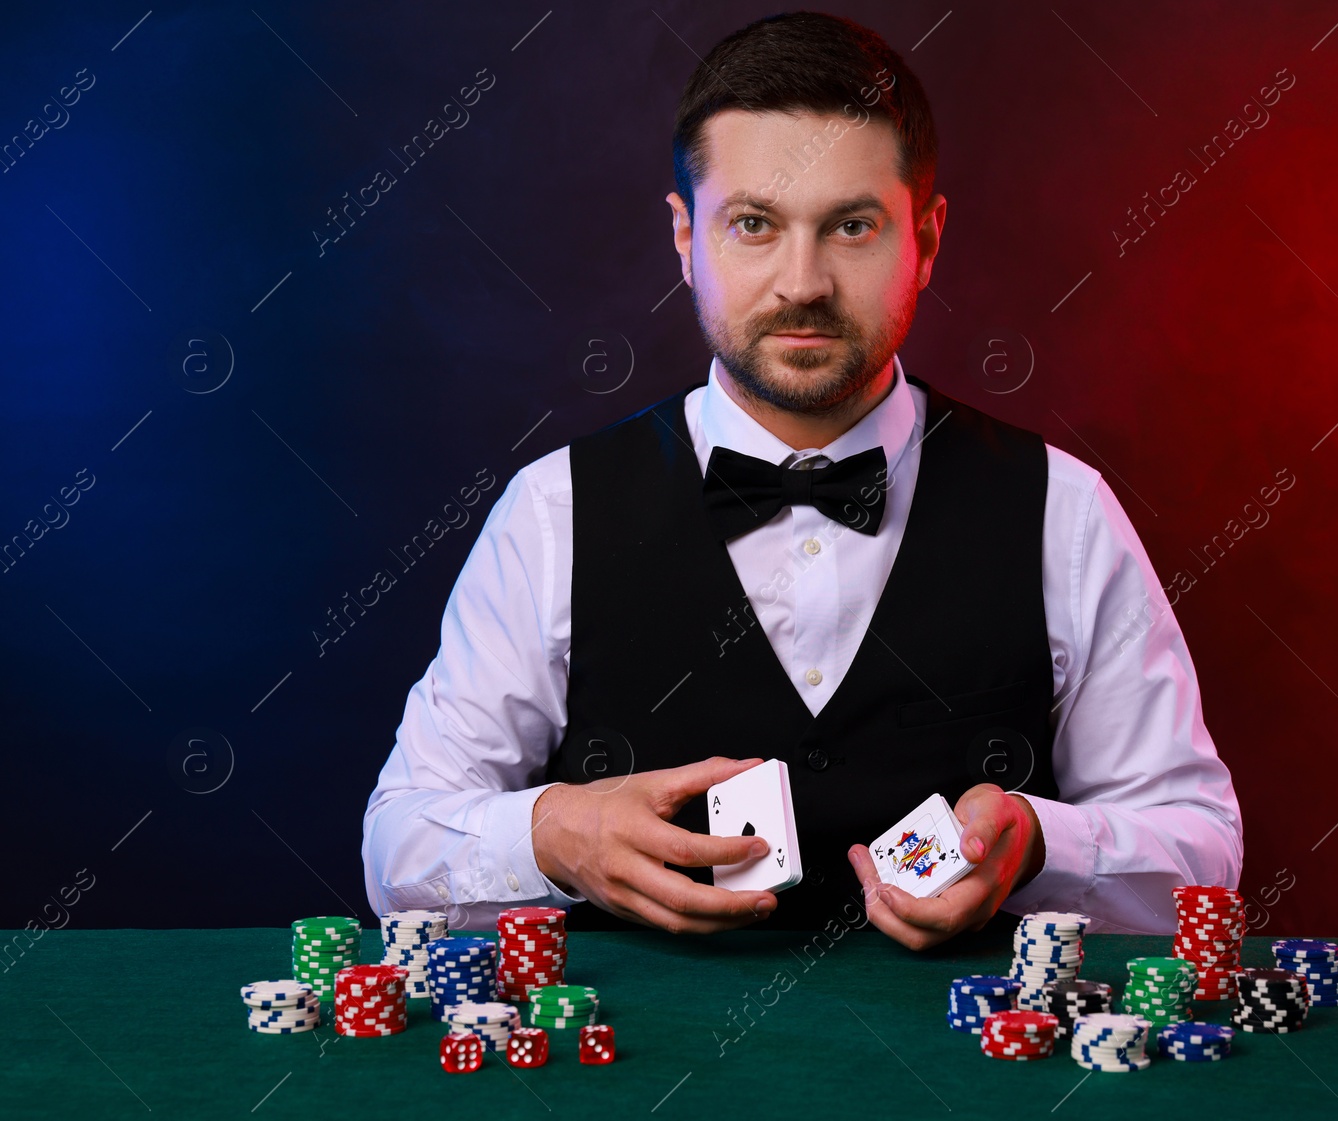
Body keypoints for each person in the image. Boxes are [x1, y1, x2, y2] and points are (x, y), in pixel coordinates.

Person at [363, 11, 1241, 948]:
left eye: (852, 226)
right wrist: (549, 834)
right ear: (684, 238)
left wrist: (1038, 841)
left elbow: (1204, 853)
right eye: (753, 224)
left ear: (927, 239)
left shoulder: (1063, 512)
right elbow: (397, 845)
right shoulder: (553, 512)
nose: (803, 281)